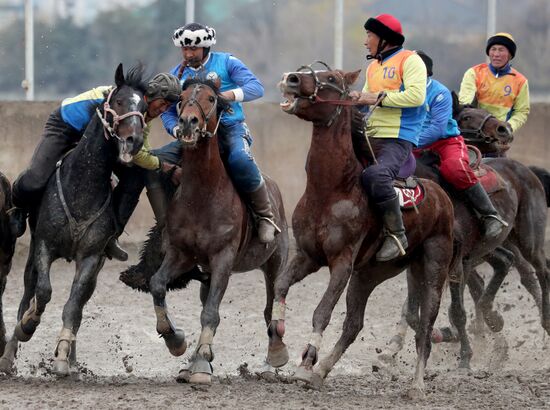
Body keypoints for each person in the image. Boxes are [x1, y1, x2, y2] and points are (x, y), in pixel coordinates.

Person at [9, 71, 182, 261]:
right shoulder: (129, 103)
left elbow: (140, 148)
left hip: (96, 140)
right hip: (66, 127)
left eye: (169, 107)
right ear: (150, 96)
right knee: (35, 179)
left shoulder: (142, 109)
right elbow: (139, 154)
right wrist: (161, 165)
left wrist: (148, 161)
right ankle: (17, 206)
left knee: (135, 175)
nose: (164, 110)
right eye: (163, 104)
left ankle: (110, 235)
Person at [157, 22, 280, 243]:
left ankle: (265, 216)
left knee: (240, 159)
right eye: (184, 49)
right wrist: (175, 128)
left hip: (230, 128)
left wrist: (227, 96)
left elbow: (256, 87)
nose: (188, 53)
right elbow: (166, 111)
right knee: (157, 163)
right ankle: (165, 224)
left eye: (193, 49)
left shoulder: (227, 62)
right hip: (193, 134)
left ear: (205, 48)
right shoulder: (176, 75)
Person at [349, 14, 427, 262]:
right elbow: (363, 101)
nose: (366, 42)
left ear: (384, 39)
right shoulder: (373, 67)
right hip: (370, 135)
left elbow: (416, 97)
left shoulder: (411, 60)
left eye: (369, 36)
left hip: (397, 138)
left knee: (375, 175)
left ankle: (397, 234)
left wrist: (375, 97)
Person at [414, 50, 507, 239]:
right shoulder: (399, 91)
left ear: (422, 71)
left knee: (454, 168)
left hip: (444, 142)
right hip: (412, 143)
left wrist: (409, 142)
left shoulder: (439, 93)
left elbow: (437, 129)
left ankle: (490, 215)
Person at [459, 32, 530, 133]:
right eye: (493, 49)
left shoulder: (521, 81)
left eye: (501, 50)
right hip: (473, 129)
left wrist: (509, 127)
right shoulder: (474, 73)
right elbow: (465, 102)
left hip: (499, 132)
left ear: (510, 55)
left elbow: (521, 111)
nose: (496, 54)